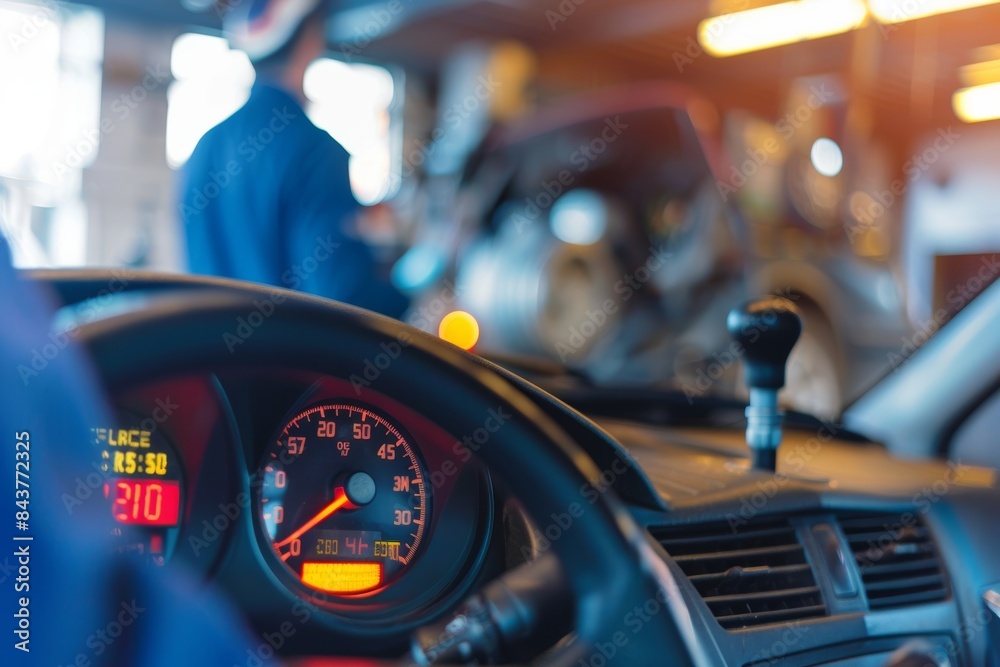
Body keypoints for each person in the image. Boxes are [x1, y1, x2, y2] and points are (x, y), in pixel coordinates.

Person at [180, 0, 407, 317]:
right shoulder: (315, 151)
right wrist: (412, 290)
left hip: (213, 360)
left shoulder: (205, 148)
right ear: (311, 38)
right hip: (291, 365)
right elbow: (342, 297)